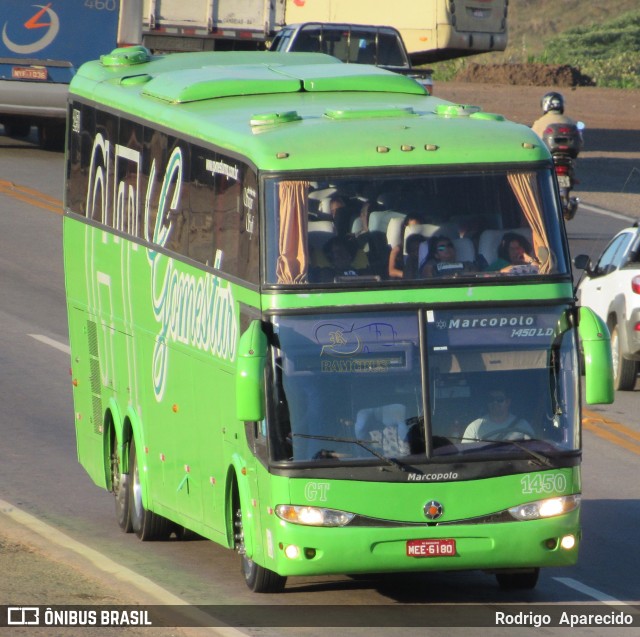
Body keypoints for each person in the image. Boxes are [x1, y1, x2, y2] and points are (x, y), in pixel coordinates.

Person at [462, 388, 534, 443]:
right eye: (491, 399)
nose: (495, 402)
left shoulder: (522, 425)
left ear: (508, 402)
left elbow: (533, 451)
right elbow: (465, 455)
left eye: (499, 399)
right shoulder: (475, 427)